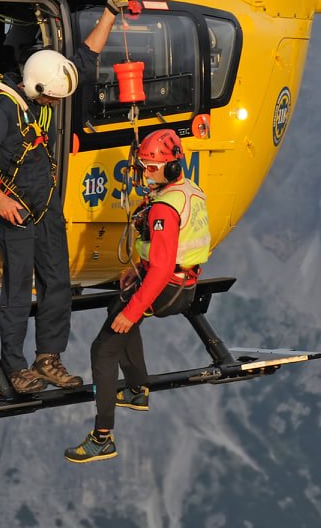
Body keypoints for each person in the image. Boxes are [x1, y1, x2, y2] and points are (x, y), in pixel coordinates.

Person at [0, 0, 123, 394]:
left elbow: (86, 57)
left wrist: (111, 14)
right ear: (37, 88)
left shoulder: (49, 87)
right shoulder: (1, 111)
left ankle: (48, 357)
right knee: (17, 290)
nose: (56, 103)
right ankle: (15, 366)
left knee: (57, 282)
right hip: (17, 211)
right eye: (52, 98)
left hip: (48, 206)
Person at [65, 128, 211, 463]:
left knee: (103, 349)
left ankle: (102, 437)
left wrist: (133, 311)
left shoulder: (162, 209)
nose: (145, 173)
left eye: (150, 167)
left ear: (170, 169)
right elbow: (172, 251)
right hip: (184, 283)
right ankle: (136, 389)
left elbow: (160, 270)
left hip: (167, 287)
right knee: (116, 305)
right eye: (143, 166)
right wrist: (137, 269)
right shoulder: (188, 191)